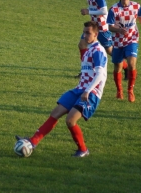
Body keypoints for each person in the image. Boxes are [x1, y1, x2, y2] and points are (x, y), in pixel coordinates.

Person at [16, 21, 107, 157]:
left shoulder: (98, 51)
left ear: (96, 34)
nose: (85, 35)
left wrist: (88, 90)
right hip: (79, 89)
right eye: (84, 32)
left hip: (91, 93)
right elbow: (81, 45)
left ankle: (83, 150)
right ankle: (33, 142)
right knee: (55, 113)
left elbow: (101, 74)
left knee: (70, 121)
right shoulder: (89, 49)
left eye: (88, 33)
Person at [76, 0, 128, 79]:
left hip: (102, 27)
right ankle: (85, 71)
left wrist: (88, 11)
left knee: (110, 51)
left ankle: (126, 67)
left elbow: (104, 11)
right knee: (82, 45)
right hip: (93, 25)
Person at [107, 0, 141, 102]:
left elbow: (140, 19)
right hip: (117, 41)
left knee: (132, 63)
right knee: (118, 67)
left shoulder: (137, 6)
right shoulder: (114, 9)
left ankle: (130, 91)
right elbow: (110, 27)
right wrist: (119, 30)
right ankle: (119, 90)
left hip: (132, 39)